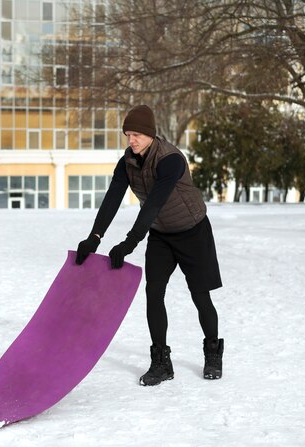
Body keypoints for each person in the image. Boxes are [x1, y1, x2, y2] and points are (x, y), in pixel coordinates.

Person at [75, 105, 224, 386]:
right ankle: (161, 362)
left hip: (193, 232)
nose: (131, 140)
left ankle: (213, 352)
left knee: (200, 295)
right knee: (153, 293)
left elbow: (154, 203)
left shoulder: (170, 160)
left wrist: (130, 242)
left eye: (137, 135)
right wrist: (95, 238)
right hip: (161, 235)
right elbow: (112, 199)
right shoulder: (127, 163)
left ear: (151, 135)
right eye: (128, 134)